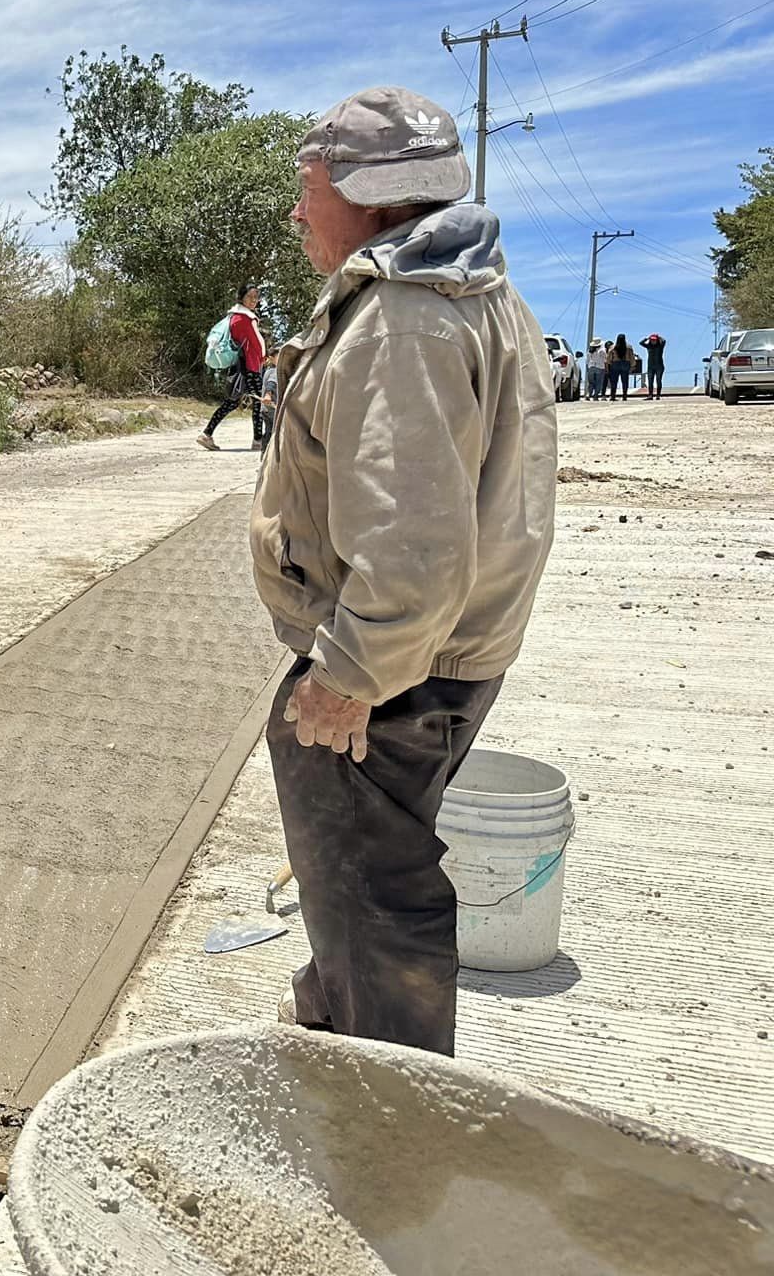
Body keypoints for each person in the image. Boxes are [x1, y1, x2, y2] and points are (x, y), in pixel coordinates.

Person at [259, 86, 555, 1055]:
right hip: (446, 649)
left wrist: (346, 676)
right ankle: (331, 1014)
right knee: (366, 861)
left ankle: (390, 1112)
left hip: (398, 661)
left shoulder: (401, 317)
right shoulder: (477, 293)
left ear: (372, 195)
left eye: (309, 188)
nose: (297, 212)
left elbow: (413, 541)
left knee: (374, 892)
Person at [197, 285, 266, 451]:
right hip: (250, 366)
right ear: (241, 297)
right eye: (250, 297)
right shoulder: (246, 318)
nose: (253, 301)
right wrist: (265, 357)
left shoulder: (233, 316)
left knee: (232, 402)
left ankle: (207, 434)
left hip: (239, 365)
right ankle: (258, 440)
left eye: (256, 297)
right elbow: (257, 344)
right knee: (258, 402)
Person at [254, 354, 279, 447]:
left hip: (265, 408)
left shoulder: (268, 371)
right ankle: (268, 453)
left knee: (268, 431)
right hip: (272, 408)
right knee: (273, 432)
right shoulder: (276, 371)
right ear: (272, 358)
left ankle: (264, 453)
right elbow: (271, 384)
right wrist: (268, 395)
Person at [640, 332, 666, 399]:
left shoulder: (660, 346)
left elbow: (664, 341)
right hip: (650, 366)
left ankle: (658, 395)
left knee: (658, 380)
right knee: (650, 381)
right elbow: (641, 343)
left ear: (657, 340)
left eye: (654, 340)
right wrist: (647, 338)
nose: (653, 341)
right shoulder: (648, 346)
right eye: (652, 340)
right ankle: (650, 395)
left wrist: (659, 337)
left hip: (659, 366)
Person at [609, 333, 634, 400]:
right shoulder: (629, 347)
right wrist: (632, 366)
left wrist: (610, 363)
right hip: (625, 364)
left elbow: (609, 357)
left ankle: (613, 396)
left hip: (615, 364)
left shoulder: (613, 347)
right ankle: (624, 396)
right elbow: (632, 357)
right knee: (625, 381)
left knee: (614, 381)